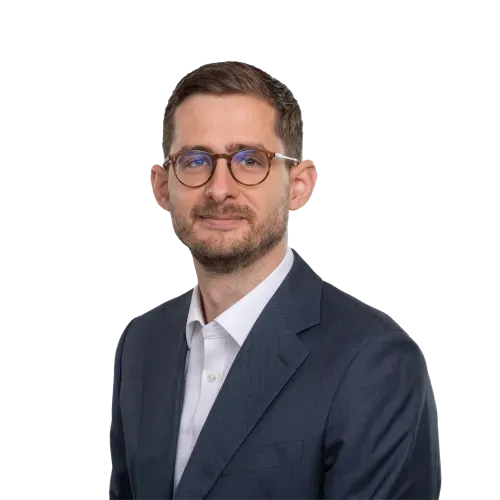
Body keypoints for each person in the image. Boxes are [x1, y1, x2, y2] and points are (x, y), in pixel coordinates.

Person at [109, 61, 441, 500]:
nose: (219, 189)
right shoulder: (141, 343)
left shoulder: (376, 364)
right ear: (162, 186)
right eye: (195, 160)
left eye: (250, 160)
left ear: (298, 186)